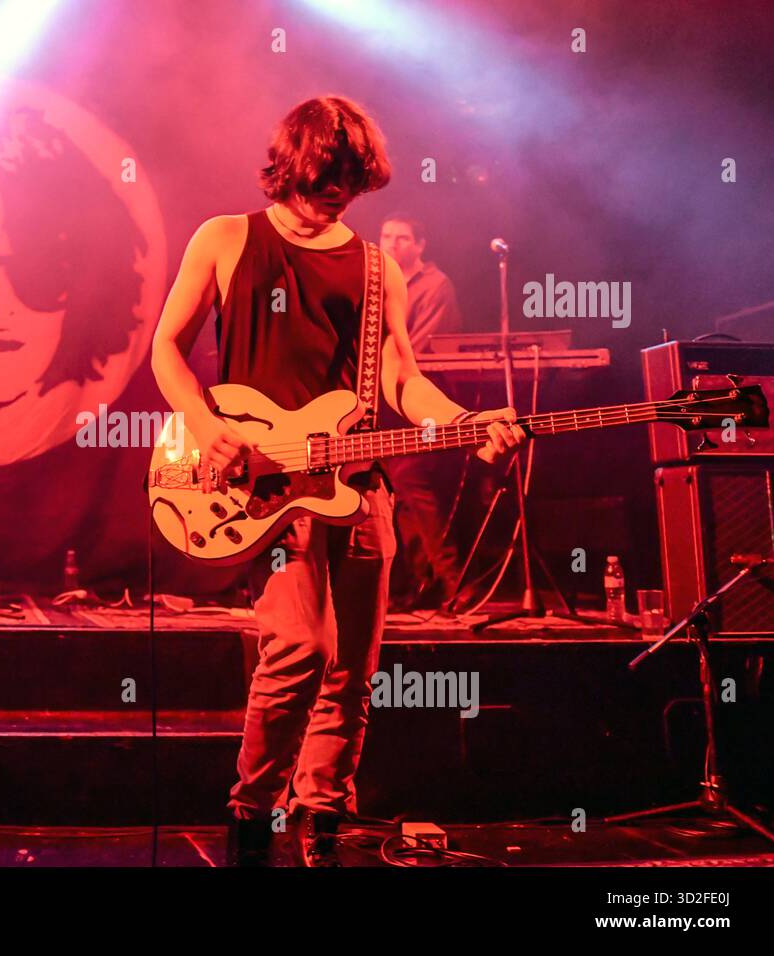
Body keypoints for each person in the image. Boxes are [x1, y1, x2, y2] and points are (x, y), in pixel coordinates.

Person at [151, 95, 524, 866]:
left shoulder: (375, 264)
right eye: (329, 174)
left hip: (358, 484)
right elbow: (166, 348)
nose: (340, 193)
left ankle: (320, 816)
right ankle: (252, 813)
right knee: (297, 645)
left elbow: (401, 380)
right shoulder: (227, 238)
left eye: (354, 180)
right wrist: (204, 423)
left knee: (353, 669)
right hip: (263, 483)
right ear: (294, 160)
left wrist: (468, 421)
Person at [379, 213, 464, 609]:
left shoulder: (436, 286)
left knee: (414, 485)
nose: (392, 244)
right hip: (385, 409)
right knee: (397, 493)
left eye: (402, 237)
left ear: (420, 244)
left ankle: (456, 585)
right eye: (386, 236)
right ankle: (421, 586)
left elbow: (414, 351)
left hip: (421, 402)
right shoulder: (376, 282)